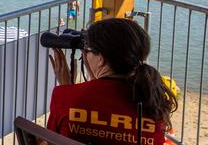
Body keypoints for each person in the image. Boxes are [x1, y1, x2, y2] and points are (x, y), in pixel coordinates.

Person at [47, 18, 177, 145]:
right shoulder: (153, 100)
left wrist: (66, 88)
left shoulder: (65, 96)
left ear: (101, 59)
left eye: (88, 51)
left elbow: (51, 141)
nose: (86, 55)